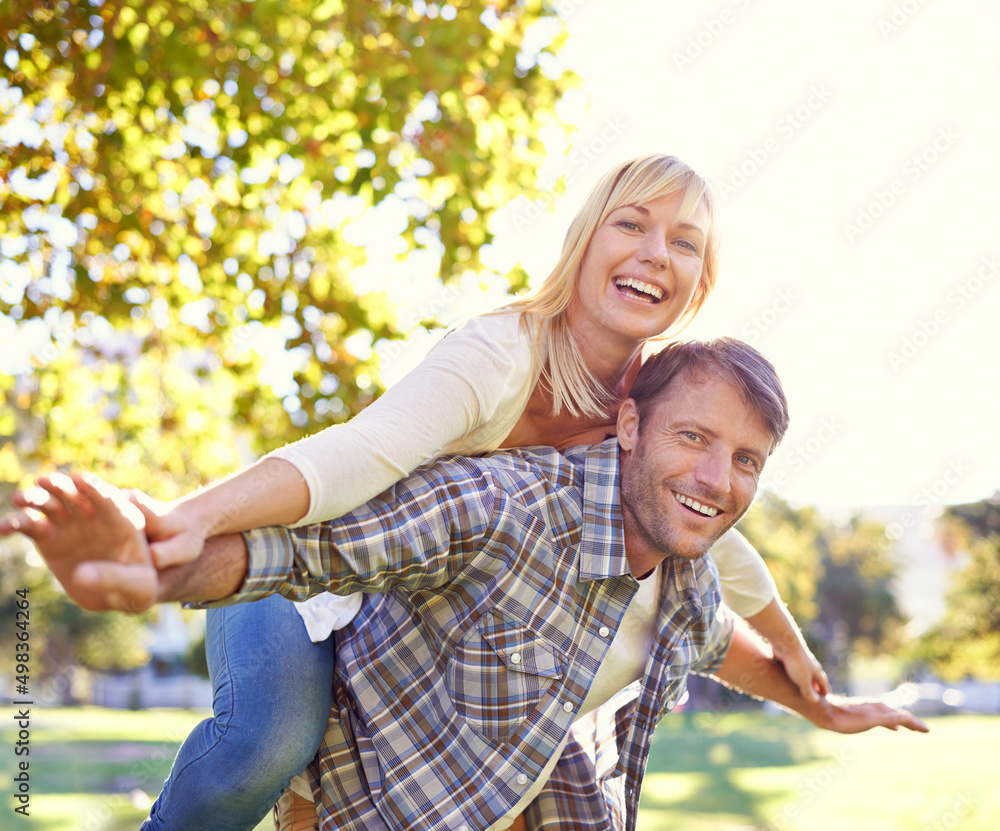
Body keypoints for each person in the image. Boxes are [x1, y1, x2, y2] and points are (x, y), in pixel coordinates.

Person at [3, 155, 827, 830]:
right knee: (268, 740)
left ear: (700, 281)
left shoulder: (652, 405)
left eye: (684, 242)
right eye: (632, 223)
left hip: (401, 616)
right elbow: (361, 454)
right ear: (584, 242)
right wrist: (184, 522)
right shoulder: (503, 353)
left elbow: (715, 532)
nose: (656, 251)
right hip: (311, 565)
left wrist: (790, 645)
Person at [5, 338, 927, 831]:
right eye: (693, 438)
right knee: (265, 738)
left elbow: (725, 640)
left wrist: (825, 706)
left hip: (460, 767)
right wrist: (157, 561)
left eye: (746, 460)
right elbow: (307, 549)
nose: (718, 478)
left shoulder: (689, 575)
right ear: (630, 424)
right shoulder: (507, 495)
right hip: (315, 637)